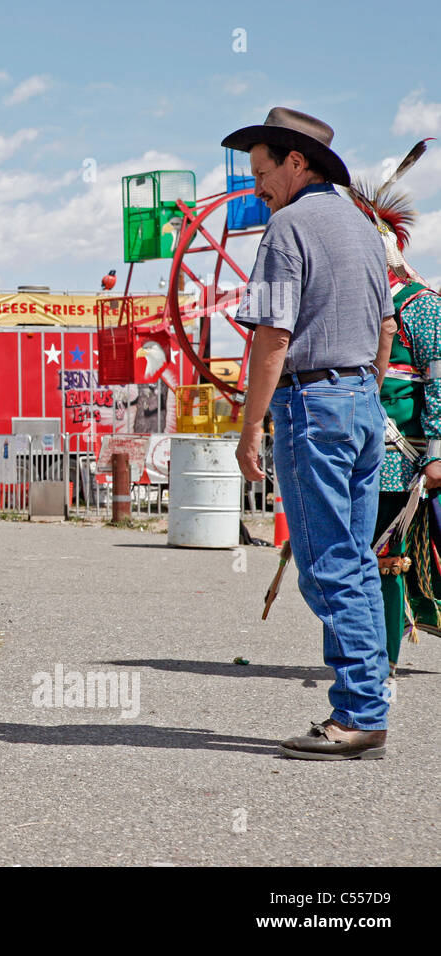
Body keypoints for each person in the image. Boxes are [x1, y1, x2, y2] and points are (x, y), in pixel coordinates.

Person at [227, 107, 394, 760]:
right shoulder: (363, 229)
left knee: (327, 568)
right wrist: (366, 394)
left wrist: (250, 430)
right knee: (355, 562)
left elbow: (272, 337)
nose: (258, 189)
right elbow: (384, 328)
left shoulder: (289, 226)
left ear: (297, 162)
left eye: (262, 173)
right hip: (360, 404)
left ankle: (359, 714)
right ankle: (365, 705)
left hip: (313, 408)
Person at [347, 160, 441, 680]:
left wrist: (437, 450)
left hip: (398, 455)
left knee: (384, 557)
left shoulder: (423, 305)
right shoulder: (354, 301)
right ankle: (362, 657)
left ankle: (380, 660)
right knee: (353, 555)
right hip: (354, 445)